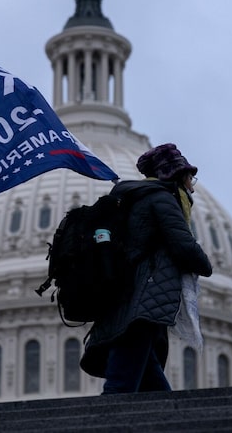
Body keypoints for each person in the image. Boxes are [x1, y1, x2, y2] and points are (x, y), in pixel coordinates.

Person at [80, 143, 213, 393]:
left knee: (146, 371)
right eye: (189, 177)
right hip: (146, 294)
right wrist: (205, 264)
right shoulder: (162, 198)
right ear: (175, 175)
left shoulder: (133, 197)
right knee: (123, 379)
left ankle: (176, 418)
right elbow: (183, 244)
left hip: (127, 293)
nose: (192, 186)